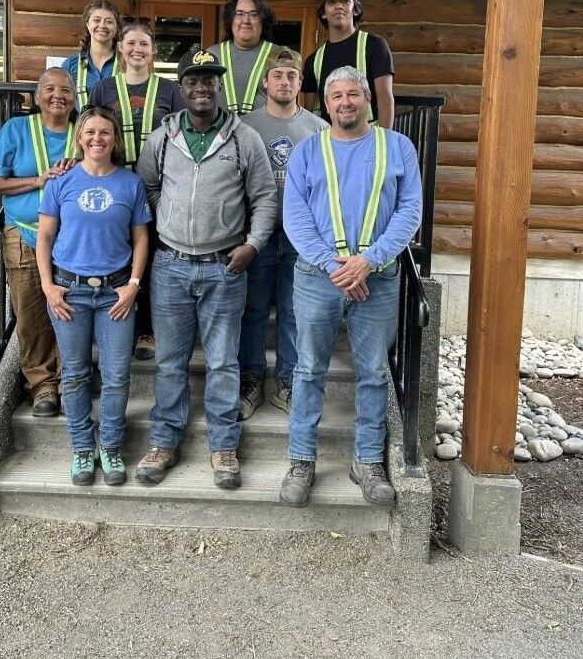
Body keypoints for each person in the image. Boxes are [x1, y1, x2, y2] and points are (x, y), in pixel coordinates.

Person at [135, 48, 277, 490]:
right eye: (192, 80)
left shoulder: (243, 138)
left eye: (208, 80)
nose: (201, 87)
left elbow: (266, 197)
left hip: (225, 269)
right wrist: (171, 222)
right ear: (182, 87)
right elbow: (147, 186)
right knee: (170, 363)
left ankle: (223, 447)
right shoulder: (163, 138)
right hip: (171, 267)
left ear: (219, 86)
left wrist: (253, 244)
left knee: (222, 363)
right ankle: (163, 442)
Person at [280, 67, 421, 508]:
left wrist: (368, 261)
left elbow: (409, 210)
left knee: (374, 374)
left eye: (354, 94)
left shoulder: (396, 146)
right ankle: (301, 461)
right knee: (307, 370)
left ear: (367, 99)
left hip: (376, 281)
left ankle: (368, 462)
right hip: (316, 279)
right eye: (337, 95)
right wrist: (336, 267)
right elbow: (295, 218)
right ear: (327, 103)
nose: (346, 102)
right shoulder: (307, 151)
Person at [36, 107, 151, 486]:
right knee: (74, 374)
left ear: (115, 138)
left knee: (117, 375)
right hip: (70, 292)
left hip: (115, 293)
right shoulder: (61, 182)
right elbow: (45, 237)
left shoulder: (129, 184)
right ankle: (83, 447)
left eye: (105, 132)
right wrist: (48, 286)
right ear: (79, 138)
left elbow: (140, 238)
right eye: (90, 132)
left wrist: (134, 284)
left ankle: (112, 447)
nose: (97, 139)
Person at [238, 50, 328, 420]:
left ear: (300, 83)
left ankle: (287, 382)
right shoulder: (246, 126)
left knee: (293, 311)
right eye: (278, 75)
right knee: (254, 309)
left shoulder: (319, 128)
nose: (285, 81)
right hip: (258, 231)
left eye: (292, 75)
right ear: (265, 82)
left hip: (300, 236)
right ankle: (252, 379)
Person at [89, 19, 184, 361]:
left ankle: (147, 330)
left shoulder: (171, 91)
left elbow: (181, 139)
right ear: (120, 49)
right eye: (131, 43)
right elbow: (91, 133)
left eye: (144, 44)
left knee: (153, 259)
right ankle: (119, 325)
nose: (137, 50)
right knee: (120, 256)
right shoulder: (103, 89)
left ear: (153, 51)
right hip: (114, 185)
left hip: (157, 189)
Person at [0, 68, 77, 417]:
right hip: (24, 232)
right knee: (31, 312)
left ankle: (72, 380)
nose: (59, 95)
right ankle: (43, 386)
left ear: (74, 98)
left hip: (72, 239)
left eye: (66, 90)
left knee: (72, 309)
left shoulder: (82, 133)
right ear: (37, 96)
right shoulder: (16, 130)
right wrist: (39, 180)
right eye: (50, 88)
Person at [302, 0, 395, 128]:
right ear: (324, 13)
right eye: (332, 2)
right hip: (330, 143)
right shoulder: (313, 61)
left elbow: (385, 97)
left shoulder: (374, 45)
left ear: (355, 9)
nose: (338, 6)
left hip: (368, 140)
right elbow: (309, 113)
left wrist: (385, 142)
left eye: (345, 1)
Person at [208, 0, 301, 114]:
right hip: (220, 130)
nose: (246, 20)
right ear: (231, 20)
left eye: (254, 14)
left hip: (265, 130)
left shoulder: (279, 54)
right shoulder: (211, 55)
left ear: (263, 21)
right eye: (239, 14)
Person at [61, 0, 122, 109]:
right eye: (97, 20)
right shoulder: (70, 64)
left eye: (109, 21)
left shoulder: (126, 63)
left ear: (116, 27)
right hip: (81, 125)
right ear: (88, 24)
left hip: (116, 126)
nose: (102, 25)